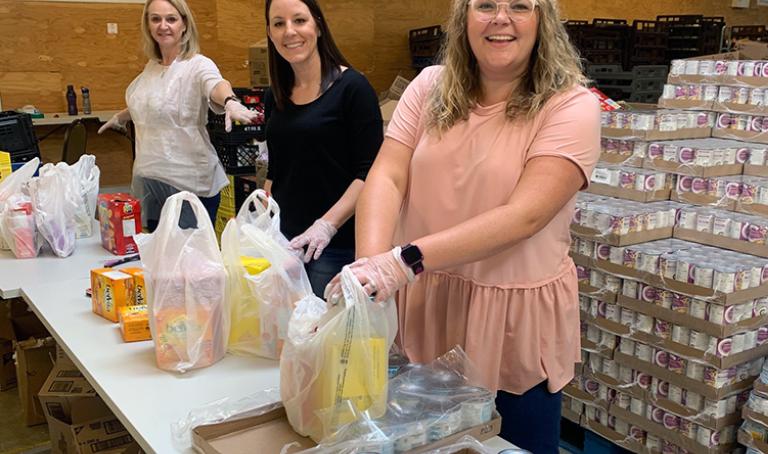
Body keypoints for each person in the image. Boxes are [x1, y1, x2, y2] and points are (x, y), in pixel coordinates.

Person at [327, 0, 600, 450]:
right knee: (418, 440)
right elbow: (388, 174)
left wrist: (402, 262)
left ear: (542, 20)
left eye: (519, 6)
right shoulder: (430, 87)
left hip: (507, 321)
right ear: (463, 18)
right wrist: (370, 267)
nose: (500, 18)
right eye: (485, 5)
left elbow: (524, 215)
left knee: (510, 442)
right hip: (423, 301)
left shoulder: (571, 106)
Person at [99, 0, 259, 231]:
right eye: (156, 19)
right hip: (151, 183)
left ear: (184, 24)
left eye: (171, 19)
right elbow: (157, 103)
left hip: (190, 185)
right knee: (157, 259)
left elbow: (215, 84)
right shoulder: (152, 67)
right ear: (148, 25)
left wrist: (230, 100)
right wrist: (123, 116)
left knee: (188, 261)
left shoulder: (197, 65)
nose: (163, 26)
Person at [262, 0, 383, 297]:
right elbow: (277, 167)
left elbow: (370, 172)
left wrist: (326, 226)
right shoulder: (275, 95)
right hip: (285, 241)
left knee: (322, 336)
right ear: (270, 32)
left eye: (299, 20)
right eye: (279, 23)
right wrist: (260, 213)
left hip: (333, 246)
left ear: (317, 24)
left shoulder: (353, 88)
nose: (289, 31)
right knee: (289, 335)